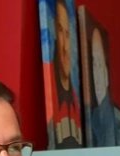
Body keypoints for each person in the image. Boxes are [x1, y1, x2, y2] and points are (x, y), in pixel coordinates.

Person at [51, 0, 83, 147]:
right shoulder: (50, 94)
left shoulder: (76, 101)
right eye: (60, 31)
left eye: (68, 34)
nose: (65, 47)